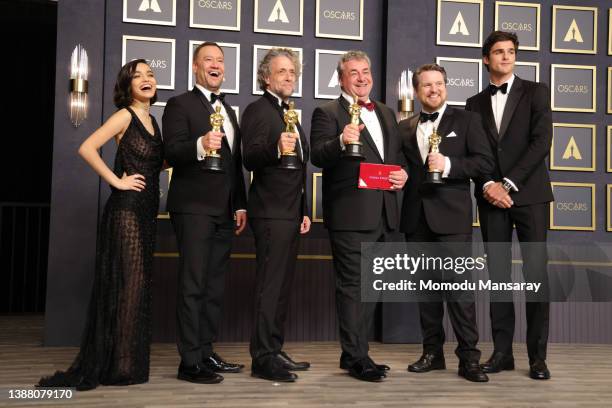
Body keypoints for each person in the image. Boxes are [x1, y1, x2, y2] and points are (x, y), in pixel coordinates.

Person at [37, 59, 163, 391]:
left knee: (137, 288)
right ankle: (118, 365)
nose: (146, 79)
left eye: (150, 74)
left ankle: (124, 362)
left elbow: (153, 162)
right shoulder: (125, 115)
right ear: (129, 86)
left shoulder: (154, 120)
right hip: (126, 210)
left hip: (147, 211)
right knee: (130, 285)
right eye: (138, 76)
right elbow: (86, 147)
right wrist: (116, 182)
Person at [310, 50, 408, 382]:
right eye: (354, 73)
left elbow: (396, 157)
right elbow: (318, 156)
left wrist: (404, 175)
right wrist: (340, 140)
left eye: (366, 71)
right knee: (352, 287)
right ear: (342, 78)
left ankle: (353, 352)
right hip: (351, 217)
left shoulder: (384, 112)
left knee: (371, 287)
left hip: (384, 214)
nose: (362, 77)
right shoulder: (326, 112)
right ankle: (357, 357)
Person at [465, 30, 553, 380]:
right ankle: (502, 353)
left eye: (511, 51)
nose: (506, 57)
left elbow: (541, 141)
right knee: (498, 277)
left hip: (528, 195)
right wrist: (488, 184)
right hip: (490, 200)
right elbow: (475, 154)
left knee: (536, 277)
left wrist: (509, 183)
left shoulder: (536, 92)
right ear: (486, 59)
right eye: (499, 52)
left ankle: (538, 357)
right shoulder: (473, 104)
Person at [399, 63, 494, 383]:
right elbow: (401, 170)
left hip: (452, 219)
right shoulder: (405, 126)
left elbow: (484, 163)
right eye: (426, 85)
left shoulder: (467, 120)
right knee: (426, 292)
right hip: (416, 219)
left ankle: (469, 358)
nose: (433, 89)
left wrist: (449, 164)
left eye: (438, 84)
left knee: (459, 293)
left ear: (446, 87)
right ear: (416, 91)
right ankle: (432, 353)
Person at [162, 42, 247, 384]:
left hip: (225, 211)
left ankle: (207, 351)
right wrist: (200, 145)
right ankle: (189, 361)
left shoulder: (229, 110)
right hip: (193, 207)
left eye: (220, 61)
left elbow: (234, 164)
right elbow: (172, 151)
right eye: (208, 60)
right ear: (195, 67)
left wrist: (239, 204)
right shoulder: (178, 104)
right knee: (193, 283)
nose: (215, 65)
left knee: (213, 286)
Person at [241, 48, 311, 383]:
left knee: (282, 287)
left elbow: (300, 167)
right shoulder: (258, 109)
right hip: (269, 212)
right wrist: (275, 149)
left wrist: (304, 210)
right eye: (281, 71)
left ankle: (274, 348)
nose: (288, 77)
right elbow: (250, 158)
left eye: (292, 72)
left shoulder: (291, 113)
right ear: (266, 77)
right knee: (270, 287)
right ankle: (262, 358)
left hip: (290, 213)